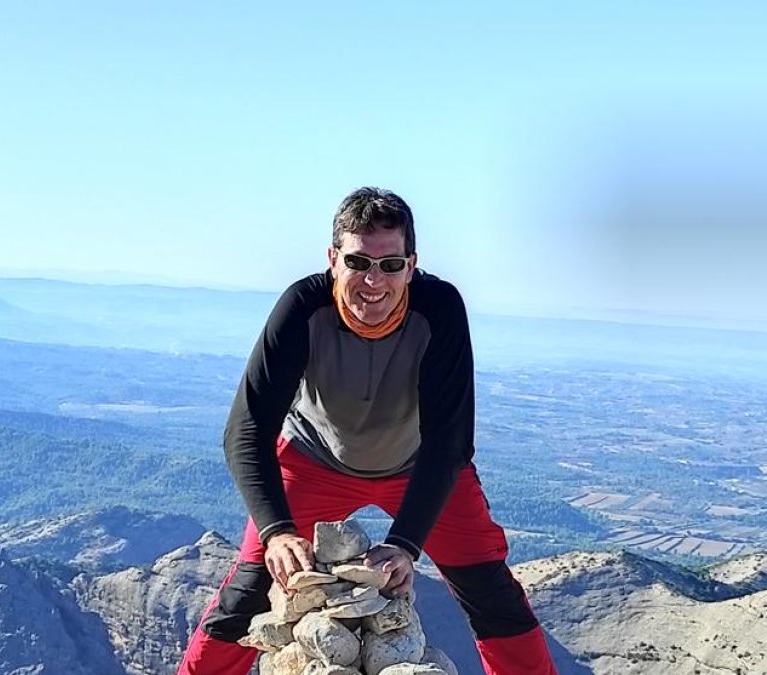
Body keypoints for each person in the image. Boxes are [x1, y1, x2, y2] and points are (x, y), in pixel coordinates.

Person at [177, 187, 557, 674]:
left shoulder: (438, 309)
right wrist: (276, 533)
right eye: (359, 263)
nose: (374, 280)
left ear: (411, 265)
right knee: (250, 590)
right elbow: (247, 428)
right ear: (333, 259)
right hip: (315, 460)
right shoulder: (302, 307)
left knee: (491, 591)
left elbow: (450, 441)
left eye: (391, 264)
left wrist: (404, 543)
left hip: (420, 466)